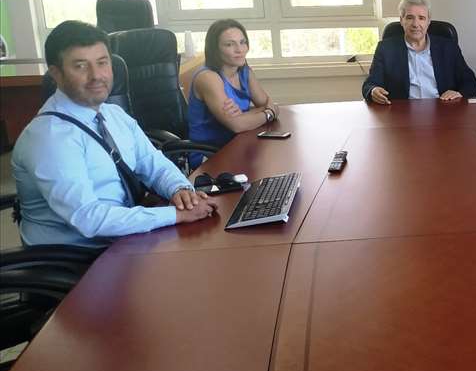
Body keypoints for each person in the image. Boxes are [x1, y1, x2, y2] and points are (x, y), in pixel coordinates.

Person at [12, 21, 216, 248]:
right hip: (77, 255)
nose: (96, 75)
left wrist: (180, 189)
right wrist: (175, 215)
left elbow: (153, 163)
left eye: (102, 63)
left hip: (123, 237)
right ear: (56, 74)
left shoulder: (113, 114)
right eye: (80, 66)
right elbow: (88, 219)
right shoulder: (49, 137)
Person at [188, 19, 278, 165]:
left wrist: (244, 116)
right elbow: (237, 126)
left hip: (238, 145)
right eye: (229, 44)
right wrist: (267, 113)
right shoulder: (208, 78)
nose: (239, 50)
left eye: (242, 42)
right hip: (210, 155)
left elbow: (271, 105)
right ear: (215, 49)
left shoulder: (244, 72)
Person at [362, 0, 476, 105]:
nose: (415, 24)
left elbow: (471, 82)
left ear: (428, 21)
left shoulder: (448, 47)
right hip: (401, 113)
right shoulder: (386, 49)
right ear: (401, 20)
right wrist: (373, 90)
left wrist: (458, 93)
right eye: (409, 18)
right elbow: (370, 84)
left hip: (443, 109)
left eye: (421, 18)